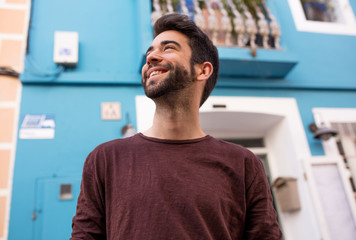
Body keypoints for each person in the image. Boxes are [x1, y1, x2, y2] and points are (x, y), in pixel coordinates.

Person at [71, 13, 282, 240]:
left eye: (168, 48)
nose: (151, 57)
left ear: (203, 70)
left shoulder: (244, 164)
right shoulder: (105, 158)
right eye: (149, 52)